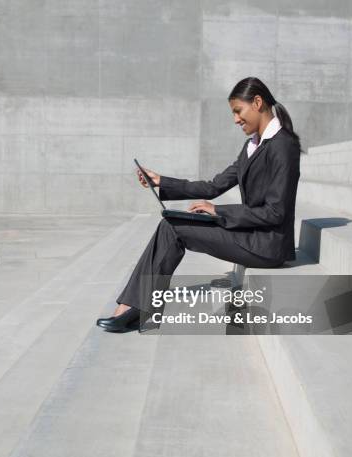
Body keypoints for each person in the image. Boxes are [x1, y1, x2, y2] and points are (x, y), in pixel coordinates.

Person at [97, 77, 301, 333]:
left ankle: (133, 307)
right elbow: (213, 186)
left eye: (238, 111)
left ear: (257, 102)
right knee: (171, 223)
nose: (235, 119)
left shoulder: (283, 146)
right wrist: (162, 181)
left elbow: (275, 211)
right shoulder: (252, 146)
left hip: (267, 245)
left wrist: (218, 212)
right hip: (251, 234)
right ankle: (133, 305)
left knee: (173, 228)